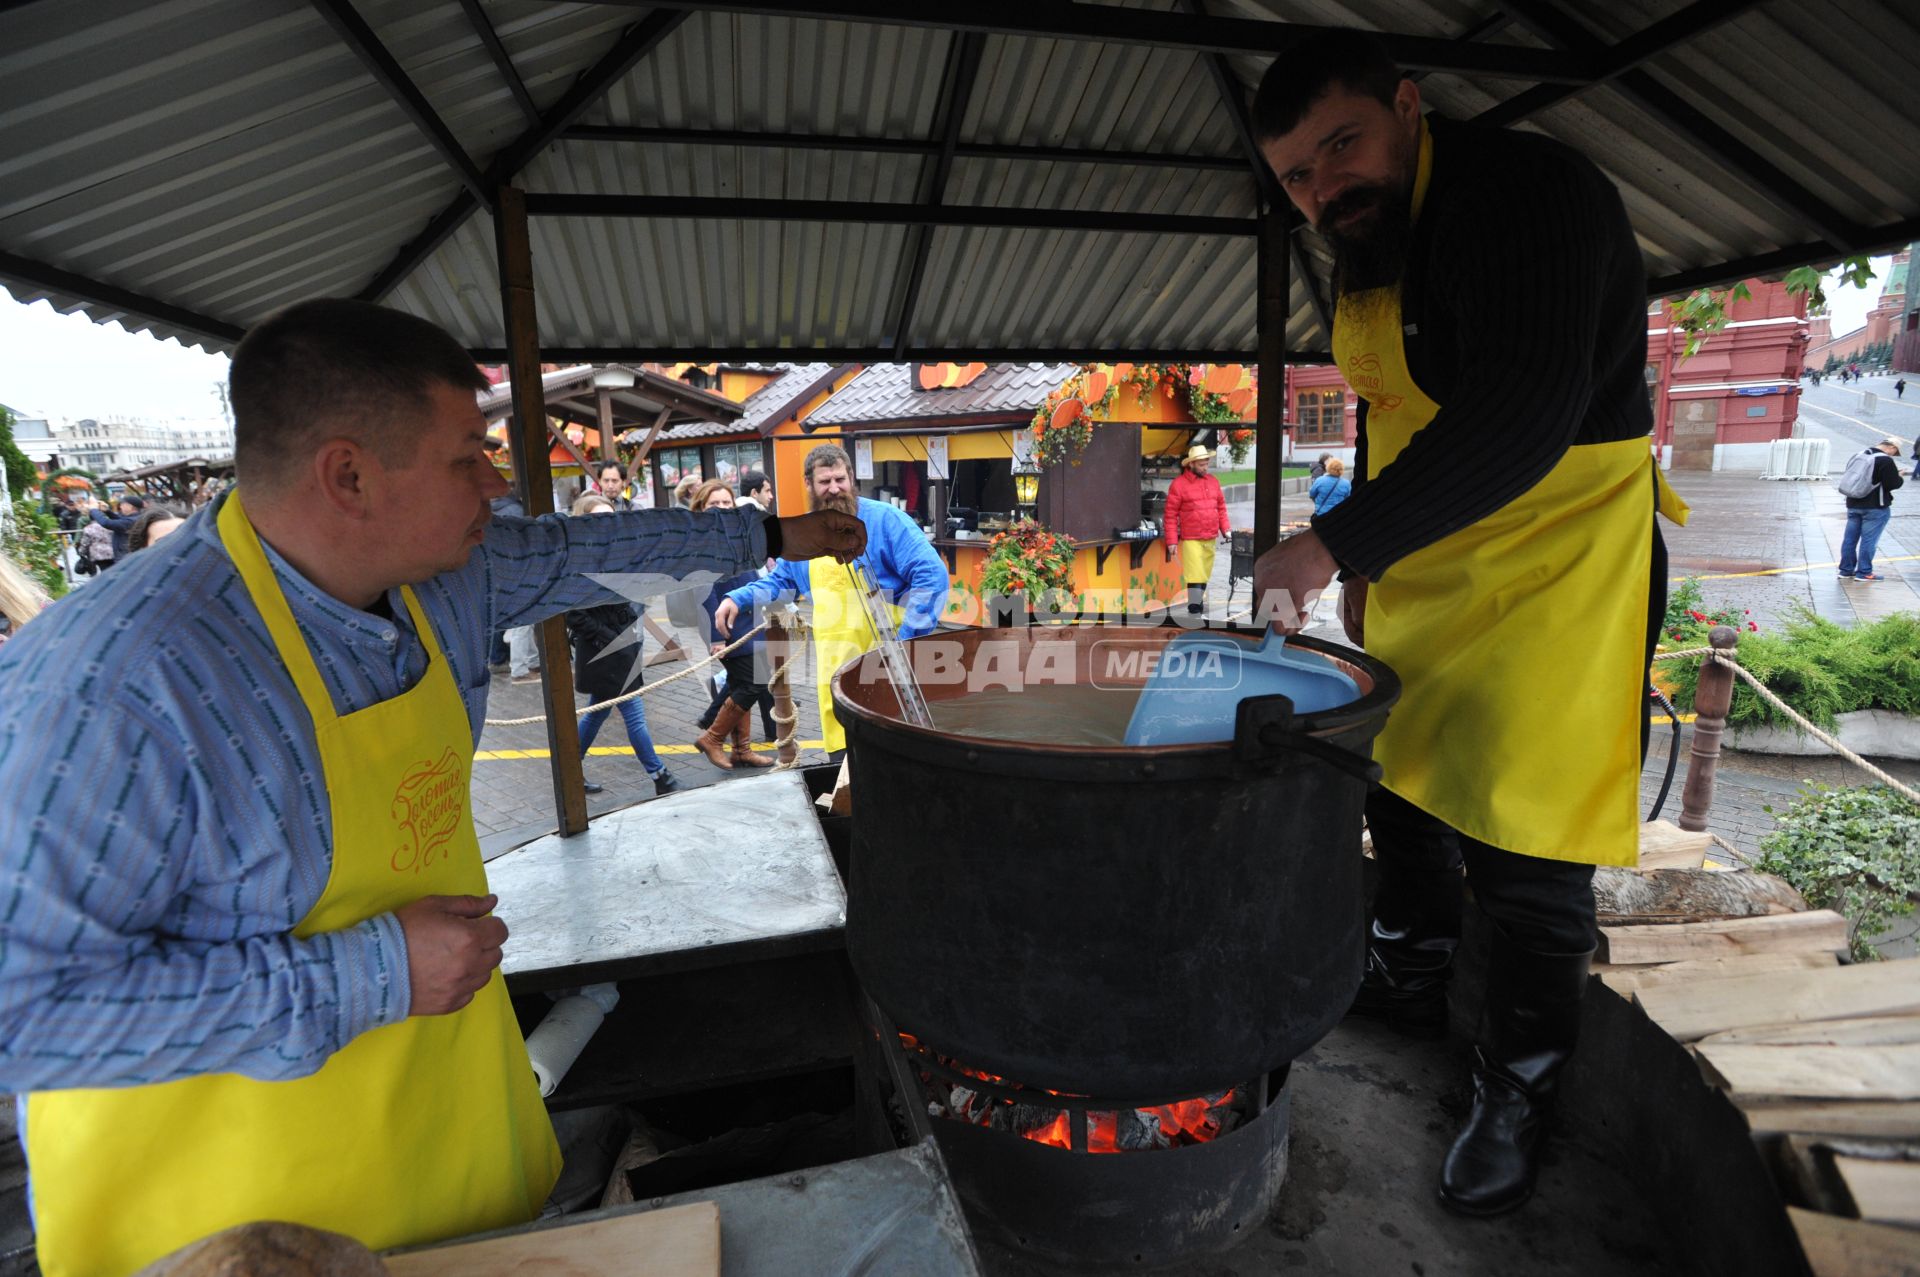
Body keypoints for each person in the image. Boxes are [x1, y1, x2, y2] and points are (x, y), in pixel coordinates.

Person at [0, 298, 863, 1276]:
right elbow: (23, 1012)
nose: (493, 481)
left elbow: (580, 555)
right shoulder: (113, 688)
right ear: (350, 473)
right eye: (467, 455)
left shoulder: (441, 574)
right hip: (219, 1239)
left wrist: (778, 532)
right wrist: (373, 973)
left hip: (443, 1170)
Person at [1249, 31, 1690, 1218]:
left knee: (1530, 849)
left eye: (1340, 144)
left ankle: (1518, 1090)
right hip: (1432, 558)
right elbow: (1403, 406)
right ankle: (1408, 969)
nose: (1323, 184)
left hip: (1563, 562)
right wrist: (1368, 552)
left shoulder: (1530, 195)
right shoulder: (1369, 236)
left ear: (1407, 103)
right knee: (1399, 779)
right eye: (1295, 173)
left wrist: (1331, 540)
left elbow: (1521, 415)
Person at [713, 444, 948, 765]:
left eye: (840, 479)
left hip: (891, 677)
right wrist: (736, 598)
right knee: (844, 770)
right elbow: (781, 582)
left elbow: (931, 576)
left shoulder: (885, 522)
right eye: (824, 482)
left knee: (895, 765)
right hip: (834, 679)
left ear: (852, 479)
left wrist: (906, 642)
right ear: (809, 485)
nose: (834, 488)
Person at [564, 493, 684, 796]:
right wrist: (610, 638)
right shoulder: (580, 559)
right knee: (633, 713)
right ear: (585, 520)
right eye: (599, 516)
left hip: (621, 646)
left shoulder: (615, 552)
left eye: (610, 514)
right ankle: (660, 776)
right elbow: (574, 614)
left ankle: (568, 770)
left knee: (598, 713)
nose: (608, 521)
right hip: (605, 651)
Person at [686, 479, 777, 770]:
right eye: (715, 503)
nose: (723, 508)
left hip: (750, 621)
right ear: (701, 507)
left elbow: (751, 578)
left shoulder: (735, 536)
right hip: (726, 627)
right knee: (753, 682)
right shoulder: (702, 544)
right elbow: (703, 593)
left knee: (745, 682)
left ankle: (742, 750)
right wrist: (715, 636)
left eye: (727, 502)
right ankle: (713, 737)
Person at [1162, 444, 1232, 616]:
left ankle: (1197, 608)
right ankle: (1195, 610)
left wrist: (1226, 530)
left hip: (1210, 537)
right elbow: (1170, 515)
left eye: (1207, 464)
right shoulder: (1178, 485)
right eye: (1202, 464)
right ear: (1191, 464)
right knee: (1195, 576)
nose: (1205, 467)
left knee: (1204, 575)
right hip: (1191, 538)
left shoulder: (1213, 481)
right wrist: (1171, 541)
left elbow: (1221, 507)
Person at [1838, 438, 1905, 581]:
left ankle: (1845, 570)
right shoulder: (1885, 461)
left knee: (1849, 540)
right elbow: (1892, 484)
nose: (1893, 455)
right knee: (1869, 541)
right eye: (1894, 452)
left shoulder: (1859, 455)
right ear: (1892, 447)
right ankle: (1864, 572)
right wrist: (1899, 477)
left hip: (1853, 503)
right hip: (1875, 506)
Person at [87, 493, 145, 561]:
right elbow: (120, 520)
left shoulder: (132, 521)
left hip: (127, 557)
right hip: (128, 555)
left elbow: (106, 523)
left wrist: (94, 509)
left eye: (122, 504)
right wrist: (107, 511)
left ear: (131, 507)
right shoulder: (136, 518)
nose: (120, 507)